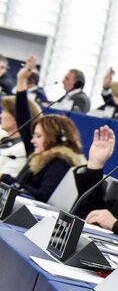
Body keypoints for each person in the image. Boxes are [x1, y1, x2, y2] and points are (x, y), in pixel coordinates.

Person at [1, 59, 85, 202]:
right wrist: (21, 81)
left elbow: (41, 197)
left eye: (38, 136)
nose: (32, 140)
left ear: (56, 138)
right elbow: (24, 120)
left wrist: (4, 178)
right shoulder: (38, 153)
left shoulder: (59, 162)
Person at [0, 91, 41, 178]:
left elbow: (6, 182)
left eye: (5, 111)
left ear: (16, 118)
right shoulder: (5, 140)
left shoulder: (21, 150)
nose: (1, 115)